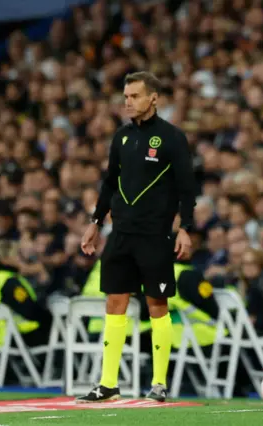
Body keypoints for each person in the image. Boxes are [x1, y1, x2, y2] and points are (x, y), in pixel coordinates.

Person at [78, 71, 196, 403]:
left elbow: (188, 187)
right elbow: (108, 183)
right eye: (126, 96)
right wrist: (95, 222)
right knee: (114, 304)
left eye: (134, 96)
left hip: (155, 234)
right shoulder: (121, 137)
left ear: (153, 98)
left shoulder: (172, 138)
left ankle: (159, 383)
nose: (128, 102)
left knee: (157, 305)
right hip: (121, 233)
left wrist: (186, 227)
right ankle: (108, 384)